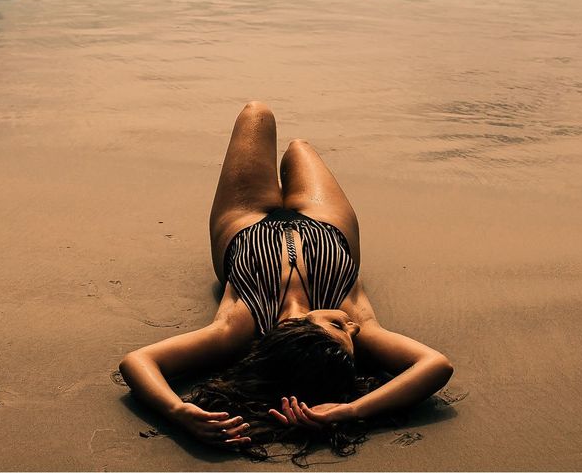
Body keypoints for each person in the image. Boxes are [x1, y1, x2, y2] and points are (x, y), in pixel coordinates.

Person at [119, 102, 454, 460]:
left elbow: (137, 361)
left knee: (256, 113)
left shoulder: (239, 325)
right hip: (326, 222)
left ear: (302, 333)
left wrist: (178, 411)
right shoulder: (355, 319)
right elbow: (437, 365)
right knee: (298, 148)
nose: (356, 328)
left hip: (244, 219)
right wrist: (351, 410)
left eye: (343, 329)